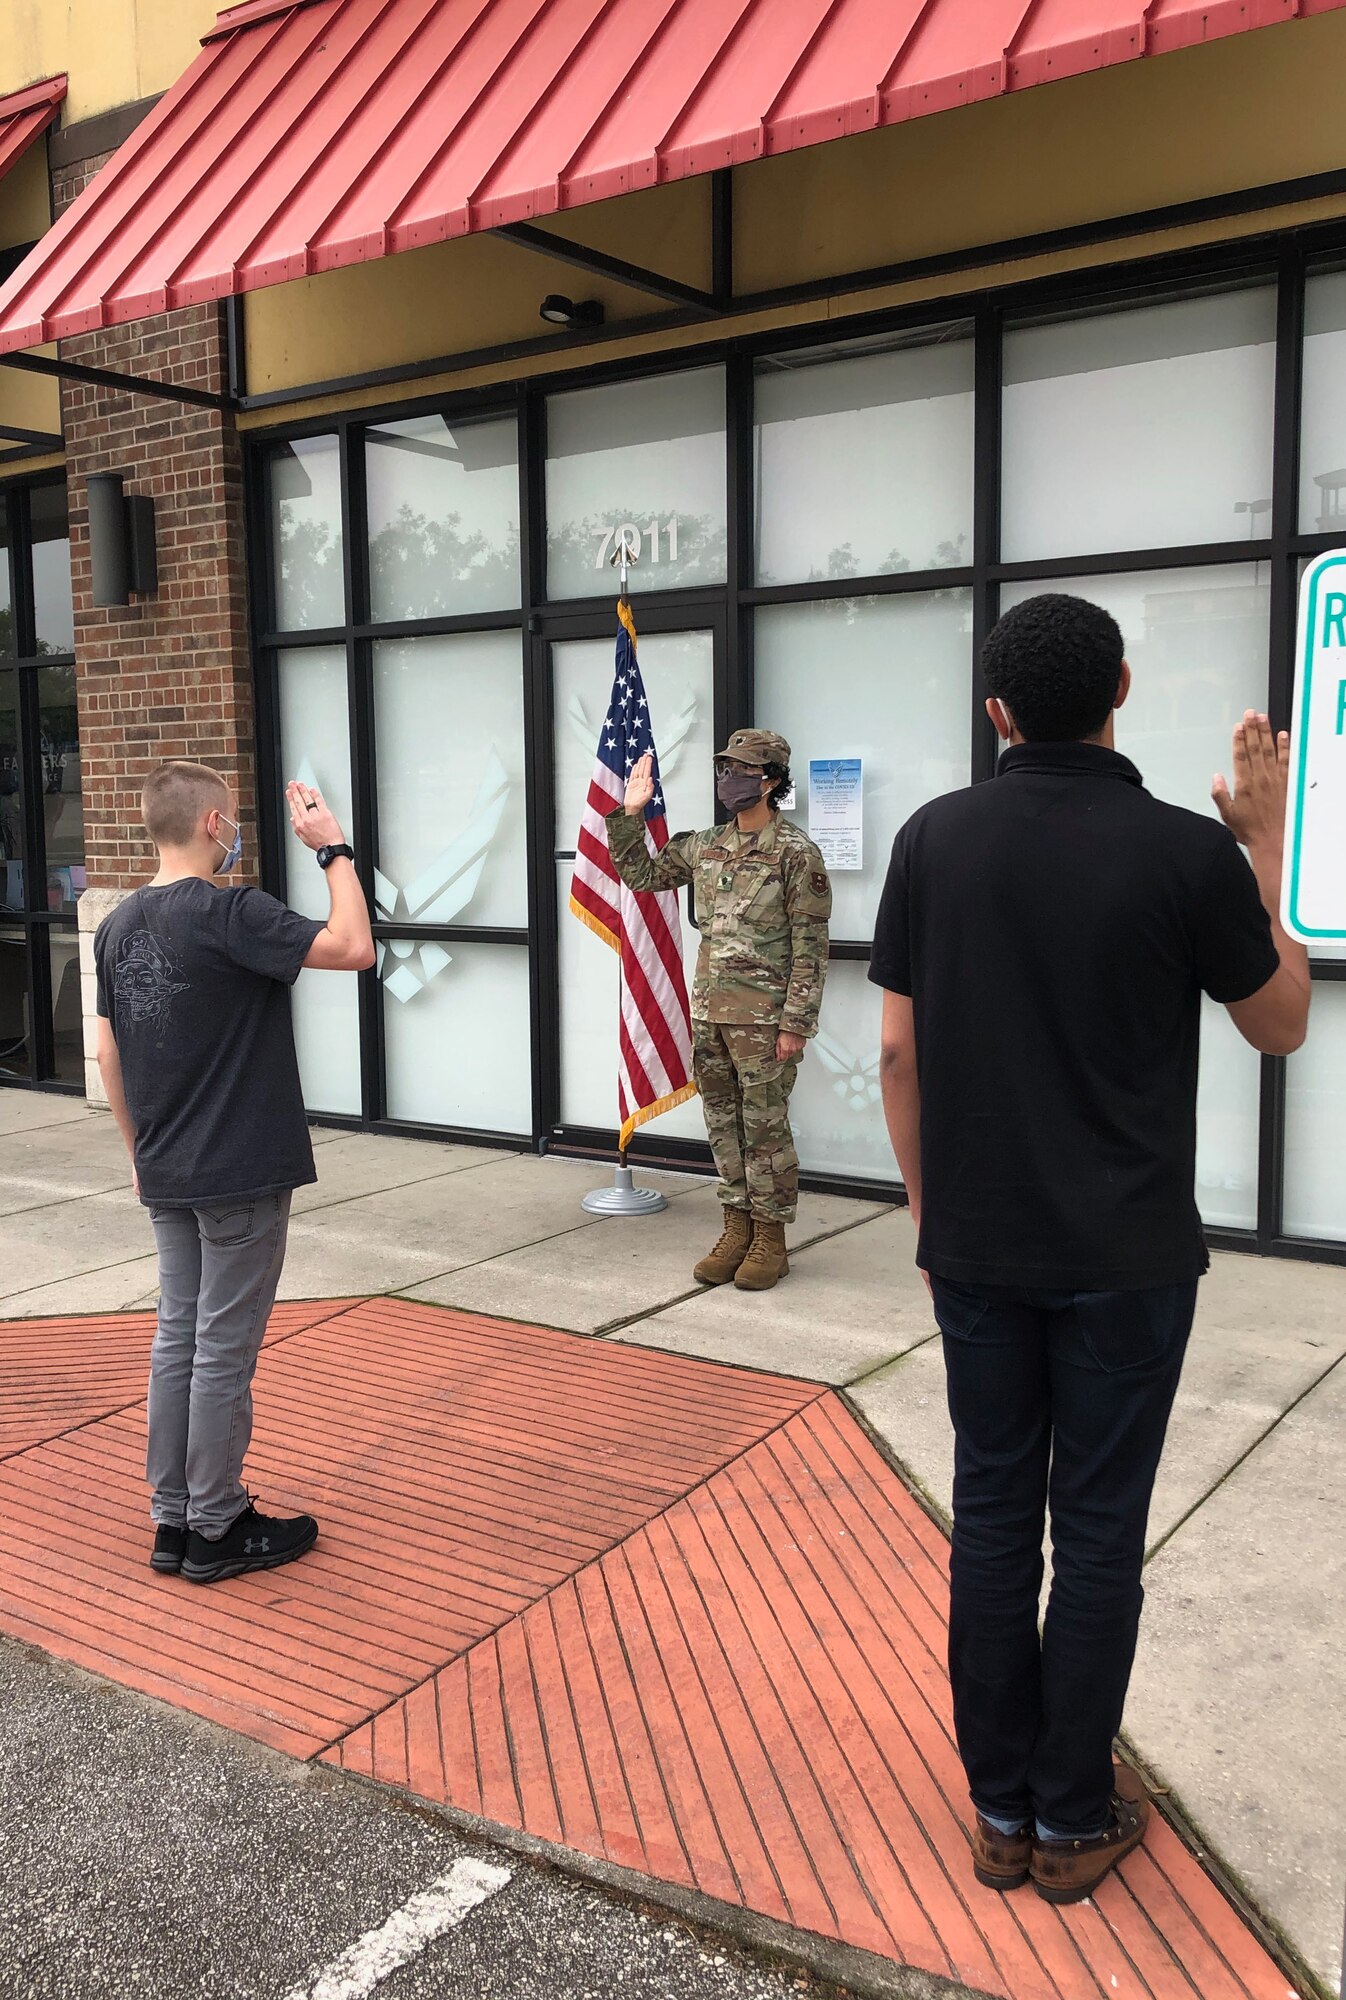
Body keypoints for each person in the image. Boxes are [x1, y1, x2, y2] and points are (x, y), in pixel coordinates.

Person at [869, 594, 1310, 1906]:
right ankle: (1072, 1820)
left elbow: (894, 1051)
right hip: (1128, 1257)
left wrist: (923, 1208)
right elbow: (1279, 1026)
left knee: (993, 1518)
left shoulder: (932, 839)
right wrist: (1266, 850)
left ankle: (998, 1813)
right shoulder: (1184, 852)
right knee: (1098, 1532)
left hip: (977, 1248)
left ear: (996, 712)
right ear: (1120, 685)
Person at [95, 761, 374, 1585]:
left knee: (177, 1338)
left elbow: (108, 1050)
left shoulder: (116, 924)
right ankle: (217, 1525)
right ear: (215, 824)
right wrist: (334, 851)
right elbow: (354, 947)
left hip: (168, 1165)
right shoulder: (231, 911)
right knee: (221, 1347)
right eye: (233, 820)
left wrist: (138, 1151)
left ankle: (173, 1517)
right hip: (239, 1169)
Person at [609, 729, 831, 1291]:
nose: (729, 780)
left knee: (765, 1131)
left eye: (742, 770)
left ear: (772, 779)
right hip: (711, 1016)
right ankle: (736, 1229)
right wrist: (629, 814)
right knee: (722, 1127)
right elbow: (641, 876)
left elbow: (811, 946)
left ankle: (770, 1241)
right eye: (725, 770)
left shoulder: (796, 854)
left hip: (765, 1023)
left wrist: (796, 1024)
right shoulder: (704, 844)